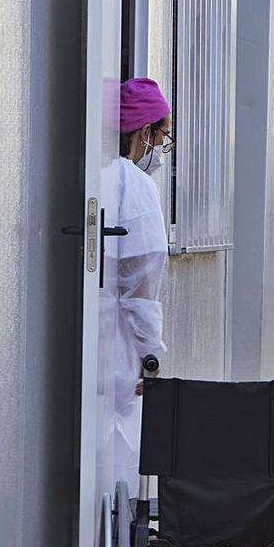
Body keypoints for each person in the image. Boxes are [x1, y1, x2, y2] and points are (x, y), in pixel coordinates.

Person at [104, 77, 173, 492]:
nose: (161, 148)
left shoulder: (90, 172)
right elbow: (142, 289)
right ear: (144, 132)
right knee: (117, 467)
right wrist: (152, 356)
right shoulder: (135, 185)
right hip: (118, 351)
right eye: (161, 134)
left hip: (89, 342)